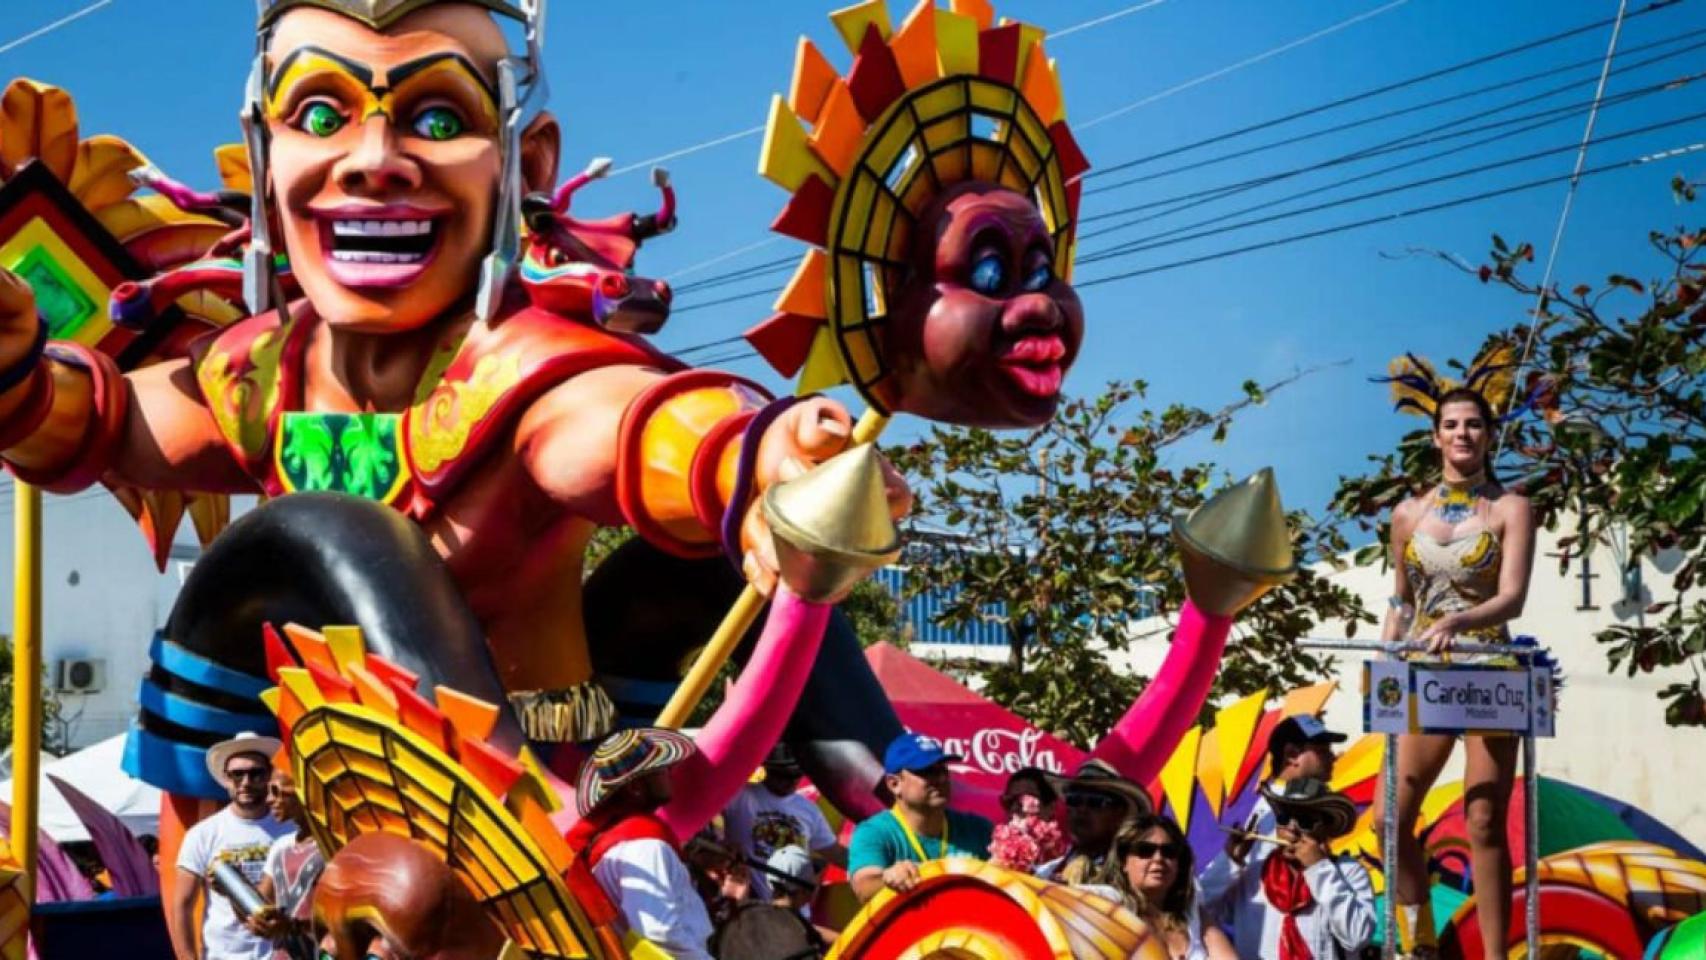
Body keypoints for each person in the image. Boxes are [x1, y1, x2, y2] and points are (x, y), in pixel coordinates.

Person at [1374, 375, 1536, 959]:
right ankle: (1419, 945)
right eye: (1452, 425)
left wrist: (1458, 624)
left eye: (1473, 424)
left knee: (1485, 818)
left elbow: (1512, 597)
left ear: (1489, 435)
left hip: (1488, 668)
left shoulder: (1512, 508)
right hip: (1422, 672)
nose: (1463, 433)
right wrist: (1386, 649)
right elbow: (1401, 598)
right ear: (1435, 436)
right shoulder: (1407, 514)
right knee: (1388, 817)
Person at [565, 727, 715, 960]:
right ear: (636, 787)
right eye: (659, 769)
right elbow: (659, 934)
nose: (669, 772)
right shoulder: (646, 846)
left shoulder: (614, 838)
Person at [1199, 778, 1376, 959]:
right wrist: (1230, 860)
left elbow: (1357, 937)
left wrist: (1319, 868)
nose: (1291, 829)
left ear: (1325, 831)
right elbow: (1195, 909)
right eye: (1284, 818)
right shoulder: (1252, 874)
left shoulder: (1348, 873)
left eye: (1305, 821)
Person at [171, 732, 293, 960]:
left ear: (269, 776)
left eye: (255, 773)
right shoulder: (202, 834)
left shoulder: (292, 830)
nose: (246, 782)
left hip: (285, 953)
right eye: (237, 775)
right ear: (226, 780)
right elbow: (182, 905)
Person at [847, 733, 994, 903]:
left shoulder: (978, 828)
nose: (940, 778)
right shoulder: (874, 832)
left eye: (942, 769)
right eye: (927, 771)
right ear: (894, 784)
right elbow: (863, 887)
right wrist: (887, 879)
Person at [722, 744, 845, 900]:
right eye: (784, 775)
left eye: (797, 775)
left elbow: (835, 852)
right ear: (767, 770)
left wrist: (870, 869)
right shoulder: (740, 796)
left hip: (793, 912)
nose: (792, 781)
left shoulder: (808, 810)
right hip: (749, 906)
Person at [1112, 815, 1236, 960]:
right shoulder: (1105, 905)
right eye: (1145, 850)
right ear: (1123, 862)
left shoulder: (1191, 913)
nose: (1158, 858)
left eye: (1169, 852)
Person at [1034, 759, 1150, 894]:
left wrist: (1069, 892)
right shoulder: (1046, 872)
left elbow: (1123, 900)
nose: (1082, 809)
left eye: (1096, 802)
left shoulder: (1134, 872)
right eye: (1074, 800)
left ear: (1119, 814)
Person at [247, 759, 324, 960]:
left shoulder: (333, 848)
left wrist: (293, 926)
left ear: (303, 791)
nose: (269, 800)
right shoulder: (281, 847)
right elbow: (261, 907)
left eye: (276, 790)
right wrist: (230, 889)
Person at [989, 767, 1066, 872]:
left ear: (1051, 807)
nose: (1014, 808)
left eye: (1025, 799)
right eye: (1009, 801)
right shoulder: (993, 850)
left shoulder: (1066, 862)